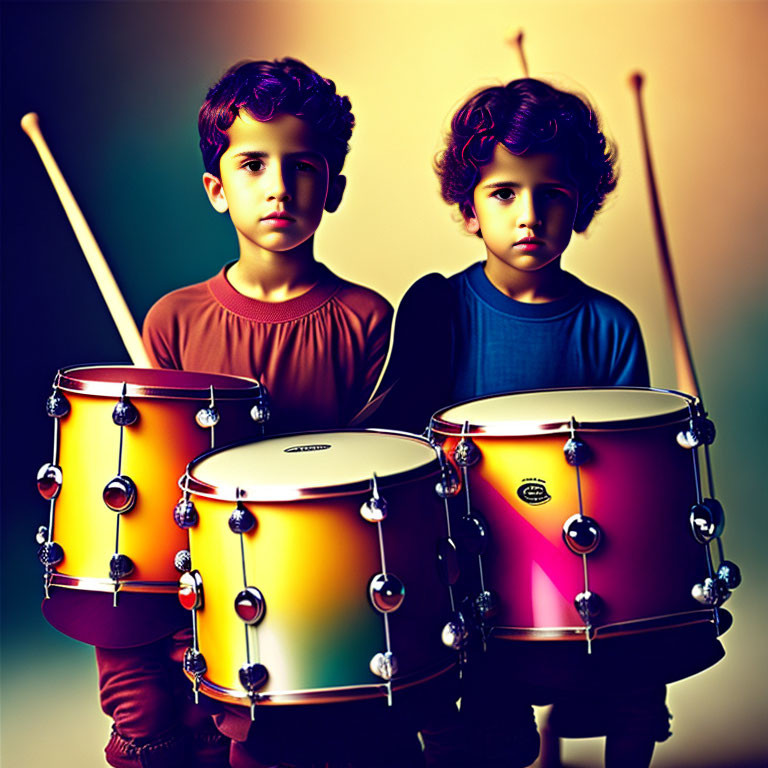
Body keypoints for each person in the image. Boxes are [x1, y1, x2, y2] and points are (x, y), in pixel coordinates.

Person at [365, 78, 727, 768]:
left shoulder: (609, 325)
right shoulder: (442, 311)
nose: (528, 214)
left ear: (581, 207)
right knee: (491, 726)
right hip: (479, 565)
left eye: (552, 193)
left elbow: (634, 476)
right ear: (468, 210)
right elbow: (408, 444)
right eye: (504, 193)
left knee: (637, 690)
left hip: (592, 562)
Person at [96, 59, 397, 768]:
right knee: (130, 670)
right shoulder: (172, 320)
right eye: (253, 164)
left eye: (301, 166)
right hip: (198, 573)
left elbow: (370, 480)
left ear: (334, 187)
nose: (278, 186)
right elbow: (155, 481)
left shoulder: (365, 319)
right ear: (215, 188)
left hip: (317, 584)